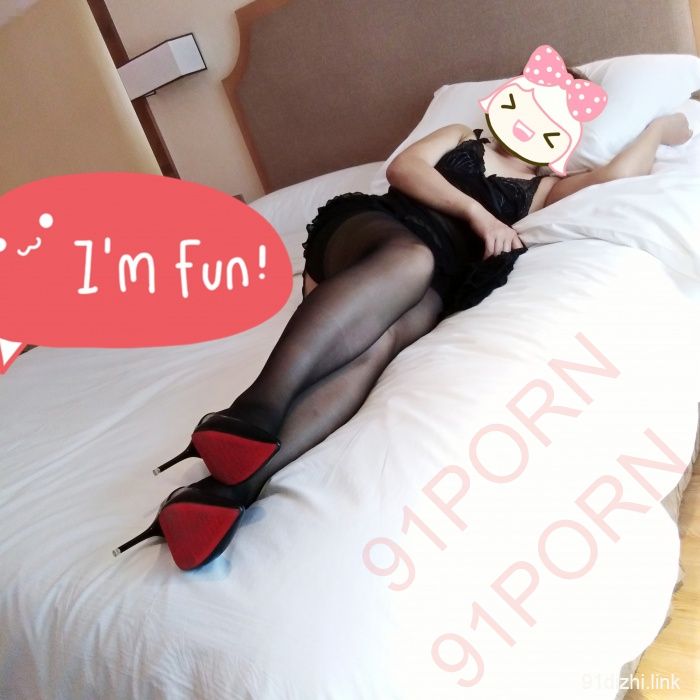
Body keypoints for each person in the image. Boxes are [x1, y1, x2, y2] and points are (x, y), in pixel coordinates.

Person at [113, 67, 693, 570]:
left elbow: (615, 179)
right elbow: (404, 169)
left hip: (435, 282)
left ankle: (227, 491)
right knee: (411, 259)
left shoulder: (543, 190)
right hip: (373, 235)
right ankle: (252, 411)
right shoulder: (460, 136)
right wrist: (478, 215)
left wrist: (660, 128)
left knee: (379, 347)